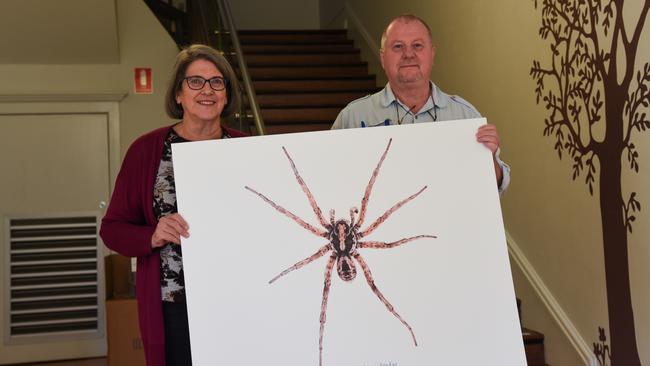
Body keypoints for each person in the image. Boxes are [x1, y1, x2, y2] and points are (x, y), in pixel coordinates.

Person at [100, 44, 246, 366]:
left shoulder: (246, 150)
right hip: (173, 305)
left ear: (226, 94)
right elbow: (111, 230)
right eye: (195, 81)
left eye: (217, 82)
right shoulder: (146, 150)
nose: (207, 90)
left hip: (238, 299)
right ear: (178, 94)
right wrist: (152, 235)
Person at [332, 14, 510, 192]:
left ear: (432, 54)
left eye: (417, 45)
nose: (408, 54)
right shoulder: (352, 117)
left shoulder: (465, 115)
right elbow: (329, 180)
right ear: (383, 57)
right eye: (398, 46)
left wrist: (490, 156)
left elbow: (494, 189)